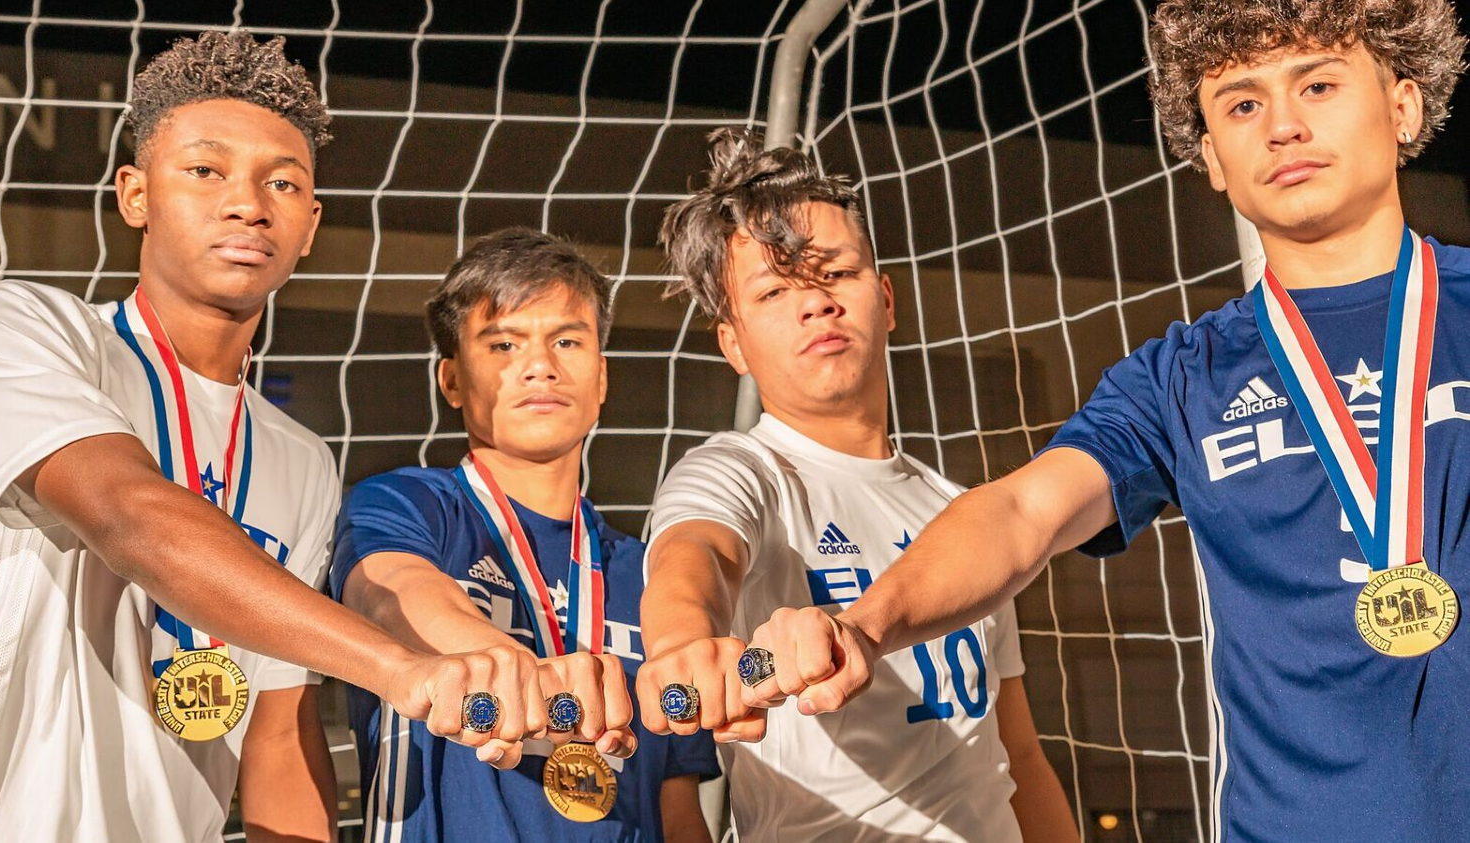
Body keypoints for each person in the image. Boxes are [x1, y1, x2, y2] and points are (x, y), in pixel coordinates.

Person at [738, 1, 1470, 840]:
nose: (1283, 127)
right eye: (1241, 104)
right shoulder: (1182, 377)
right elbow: (1019, 514)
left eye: (1318, 84)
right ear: (1212, 161)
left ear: (1403, 106)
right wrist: (863, 625)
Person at [0, 31, 545, 842]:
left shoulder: (298, 458)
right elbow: (132, 517)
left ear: (309, 226)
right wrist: (398, 665)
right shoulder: (23, 328)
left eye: (282, 182)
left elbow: (276, 733)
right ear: (135, 195)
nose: (248, 203)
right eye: (205, 171)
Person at [635, 129, 1079, 842]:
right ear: (733, 344)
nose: (815, 303)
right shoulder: (739, 471)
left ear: (887, 297)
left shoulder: (959, 512)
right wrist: (684, 644)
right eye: (775, 289)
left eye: (835, 273)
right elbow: (696, 555)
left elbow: (1017, 752)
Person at [331, 227, 719, 842]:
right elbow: (389, 591)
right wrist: (514, 665)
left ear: (601, 377)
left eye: (567, 341)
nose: (540, 367)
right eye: (505, 345)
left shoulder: (649, 575)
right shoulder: (408, 503)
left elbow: (679, 811)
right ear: (452, 380)